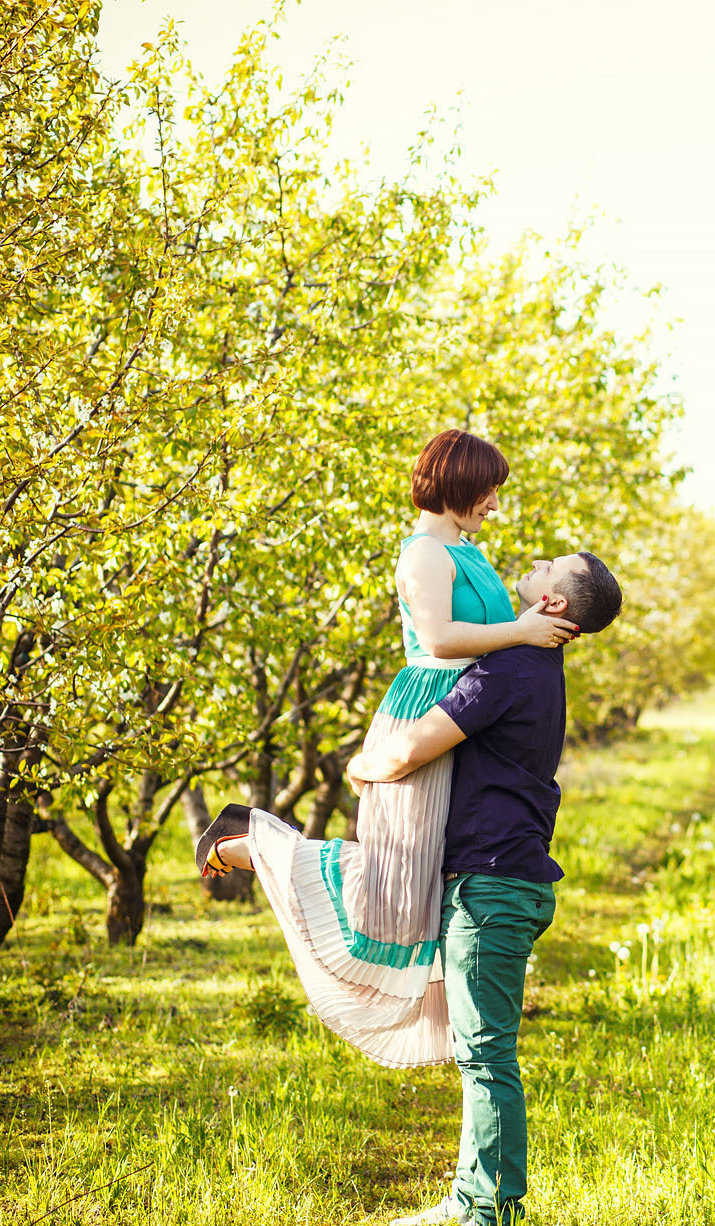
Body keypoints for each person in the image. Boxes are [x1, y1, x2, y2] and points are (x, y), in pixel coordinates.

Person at [200, 549, 622, 1226]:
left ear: (553, 605)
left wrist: (360, 766)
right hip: (495, 877)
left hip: (492, 885)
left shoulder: (514, 668)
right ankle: (469, 1199)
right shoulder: (533, 664)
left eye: (552, 565)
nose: (538, 560)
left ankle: (491, 1222)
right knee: (476, 1050)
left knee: (487, 1054)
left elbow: (409, 750)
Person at [193, 429, 580, 1067]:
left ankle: (466, 1028)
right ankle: (246, 843)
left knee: (427, 884)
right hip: (426, 709)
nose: (493, 504)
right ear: (457, 482)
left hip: (464, 718)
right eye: (487, 491)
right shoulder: (423, 552)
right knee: (393, 885)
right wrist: (521, 631)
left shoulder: (470, 552)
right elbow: (438, 638)